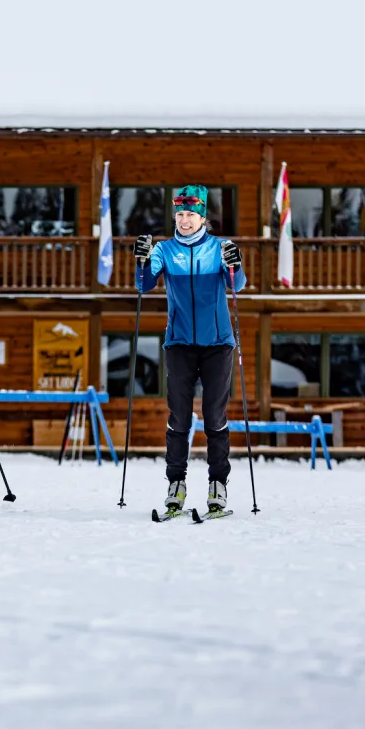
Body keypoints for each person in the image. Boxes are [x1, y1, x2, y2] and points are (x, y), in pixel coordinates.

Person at [135, 185, 246, 515]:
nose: (184, 220)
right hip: (180, 344)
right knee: (179, 417)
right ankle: (176, 484)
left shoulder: (220, 248)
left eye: (191, 215)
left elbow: (235, 285)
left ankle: (218, 486)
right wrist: (142, 260)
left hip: (218, 345)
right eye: (180, 215)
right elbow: (144, 285)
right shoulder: (164, 251)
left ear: (202, 218)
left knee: (214, 416)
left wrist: (235, 264)